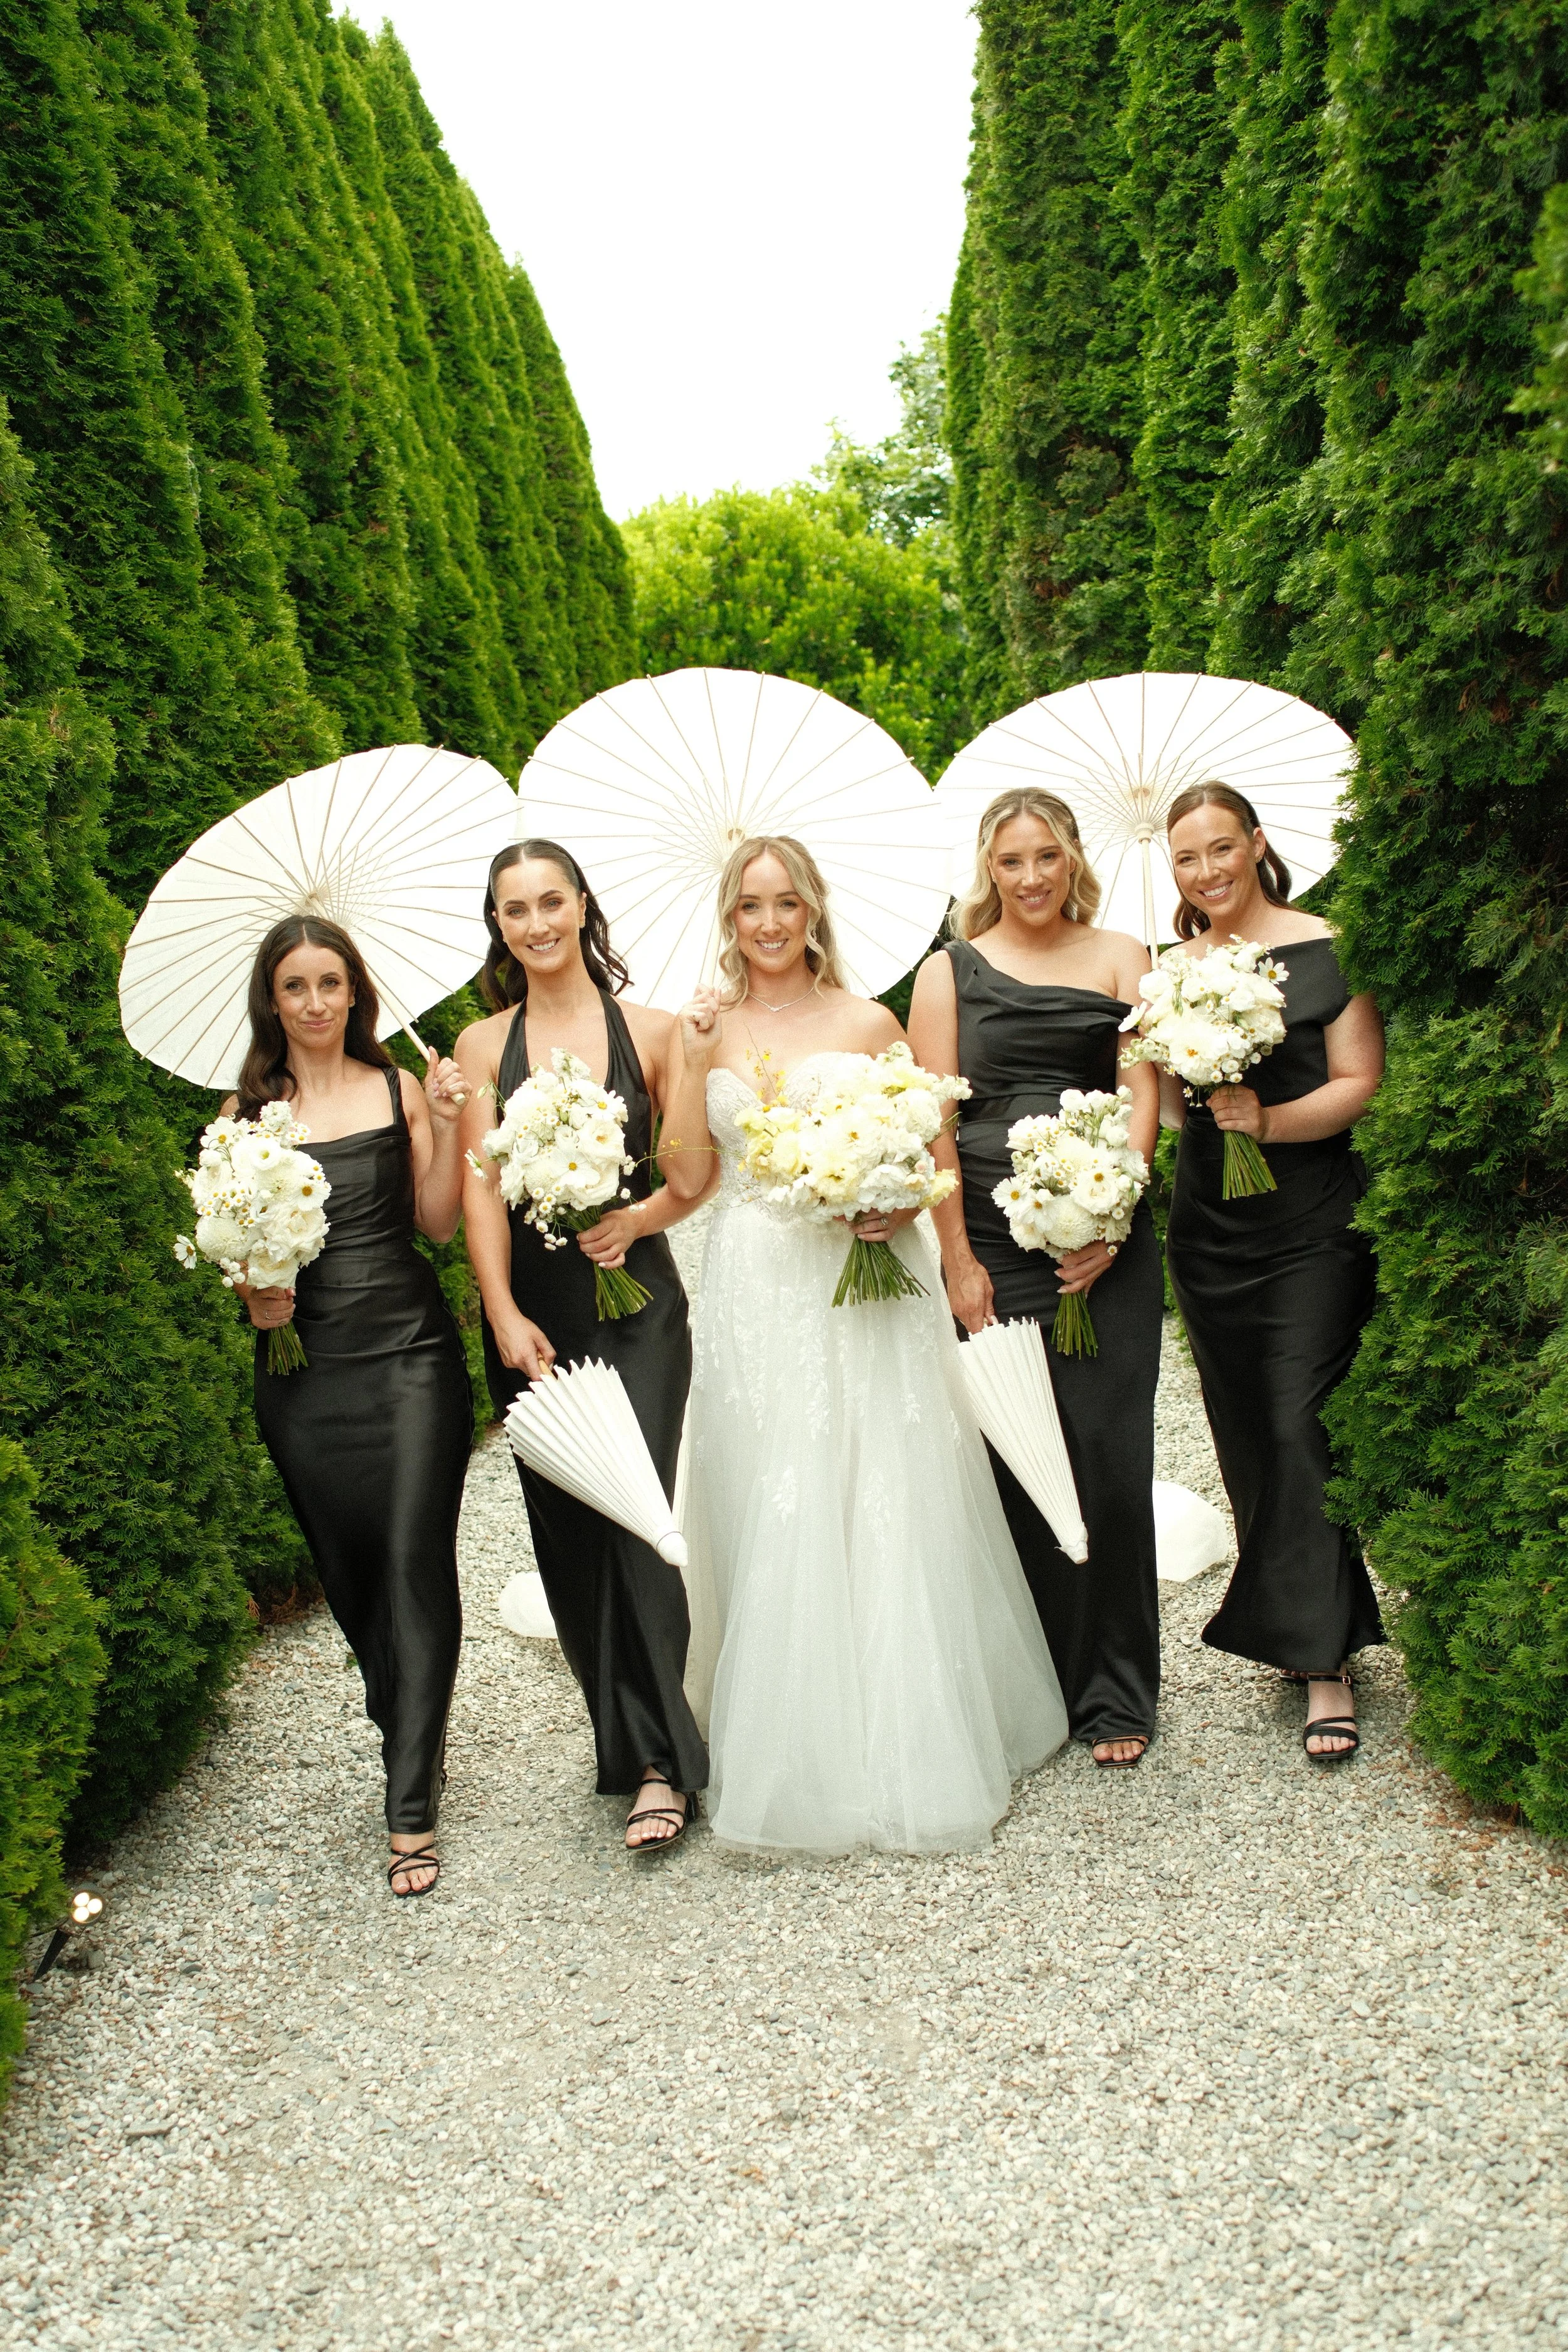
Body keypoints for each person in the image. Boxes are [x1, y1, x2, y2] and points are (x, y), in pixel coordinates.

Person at [662, 834, 1066, 1855]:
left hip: (868, 1276)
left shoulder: (869, 1019)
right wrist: (690, 1060)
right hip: (756, 1278)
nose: (769, 923)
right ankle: (787, 1729)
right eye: (750, 905)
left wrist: (894, 1203)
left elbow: (929, 1148)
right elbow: (688, 1175)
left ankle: (906, 1729)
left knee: (880, 1471)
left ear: (812, 911)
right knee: (774, 1479)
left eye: (785, 903)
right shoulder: (699, 1027)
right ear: (729, 917)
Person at [455, 843, 712, 1852]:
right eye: (515, 909)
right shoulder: (483, 1045)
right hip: (540, 1316)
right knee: (568, 1534)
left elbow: (690, 1175)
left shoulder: (650, 1030)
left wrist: (638, 1216)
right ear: (499, 925)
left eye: (551, 901)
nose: (537, 923)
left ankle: (663, 1763)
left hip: (638, 1304)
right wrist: (500, 1310)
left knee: (637, 1515)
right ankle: (627, 1734)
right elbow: (481, 1189)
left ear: (582, 907)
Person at [909, 788, 1165, 1767]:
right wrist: (957, 1259)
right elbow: (933, 1119)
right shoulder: (948, 971)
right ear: (989, 867)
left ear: (1072, 860)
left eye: (1046, 857)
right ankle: (1037, 1685)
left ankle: (1117, 1689)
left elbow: (1141, 1093)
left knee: (1107, 1454)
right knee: (1015, 1454)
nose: (1029, 877)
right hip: (990, 1237)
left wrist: (1113, 1217)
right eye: (1010, 860)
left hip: (1107, 1234)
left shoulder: (1122, 954)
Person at [233, 915, 472, 1897]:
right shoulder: (249, 1114)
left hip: (411, 1354)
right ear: (273, 999)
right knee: (353, 1572)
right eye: (296, 986)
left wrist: (448, 1126)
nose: (316, 1002)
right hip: (306, 1372)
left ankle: (409, 1802)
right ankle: (408, 1716)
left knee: (415, 1557)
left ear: (355, 991)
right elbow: (236, 1247)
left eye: (330, 982)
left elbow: (439, 1223)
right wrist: (255, 1295)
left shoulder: (397, 1086)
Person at [1159, 783, 1385, 1761]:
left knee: (1299, 1422)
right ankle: (1302, 1620)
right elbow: (1167, 1110)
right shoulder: (1169, 971)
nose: (1206, 870)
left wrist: (1269, 1120)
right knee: (1247, 1429)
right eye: (1186, 858)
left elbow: (1360, 1081)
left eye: (1221, 848)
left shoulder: (1330, 947)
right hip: (1210, 1231)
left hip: (1313, 1224)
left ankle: (1325, 1661)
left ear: (1256, 844)